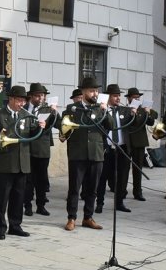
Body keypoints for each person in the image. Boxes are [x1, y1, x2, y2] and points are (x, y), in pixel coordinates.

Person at [0, 85, 45, 239]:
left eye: (23, 101)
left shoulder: (26, 115)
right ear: (11, 99)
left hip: (22, 162)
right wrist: (0, 135)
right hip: (6, 162)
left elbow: (33, 135)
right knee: (2, 198)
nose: (21, 103)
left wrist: (40, 128)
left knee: (18, 197)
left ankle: (15, 225)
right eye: (19, 100)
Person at [63, 77, 112, 231]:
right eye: (92, 90)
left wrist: (106, 111)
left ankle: (88, 217)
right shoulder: (72, 108)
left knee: (93, 188)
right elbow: (63, 126)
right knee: (74, 188)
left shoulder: (100, 108)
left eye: (96, 90)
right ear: (83, 92)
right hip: (78, 154)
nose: (95, 93)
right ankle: (71, 218)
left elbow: (110, 126)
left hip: (96, 154)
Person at [95, 84, 134, 214]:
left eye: (119, 96)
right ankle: (99, 203)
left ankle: (119, 202)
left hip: (122, 148)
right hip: (107, 149)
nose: (118, 98)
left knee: (122, 178)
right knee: (102, 178)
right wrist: (102, 109)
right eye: (115, 96)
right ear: (108, 97)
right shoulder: (101, 109)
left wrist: (136, 113)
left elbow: (138, 123)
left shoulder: (124, 110)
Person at [23, 82, 57, 216]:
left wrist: (54, 113)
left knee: (41, 179)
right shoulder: (24, 108)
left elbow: (55, 124)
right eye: (37, 96)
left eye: (42, 96)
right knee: (28, 180)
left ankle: (41, 205)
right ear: (31, 96)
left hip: (42, 149)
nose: (40, 98)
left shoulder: (47, 109)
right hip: (27, 148)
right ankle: (27, 205)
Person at [124, 87, 157, 201]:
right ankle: (122, 190)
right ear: (128, 98)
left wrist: (149, 113)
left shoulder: (143, 109)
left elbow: (151, 122)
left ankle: (138, 192)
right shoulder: (125, 109)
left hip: (139, 142)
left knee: (138, 168)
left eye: (138, 98)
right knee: (124, 168)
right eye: (134, 98)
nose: (136, 100)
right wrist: (132, 113)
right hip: (127, 142)